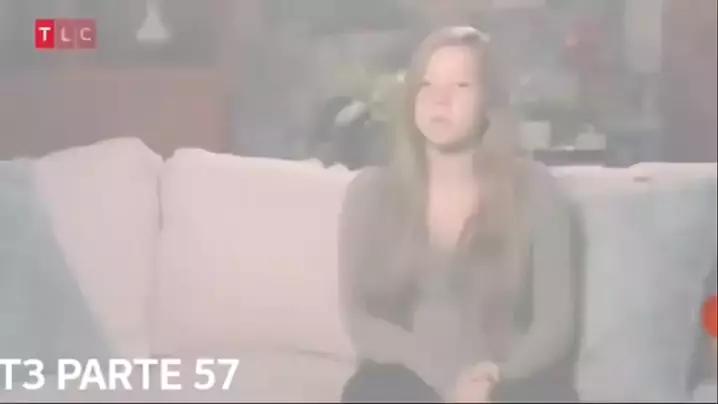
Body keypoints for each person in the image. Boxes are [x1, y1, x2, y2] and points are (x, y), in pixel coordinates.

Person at [337, 26, 579, 402]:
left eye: (461, 86)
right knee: (370, 391)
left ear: (489, 103)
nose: (440, 100)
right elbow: (360, 318)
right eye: (427, 85)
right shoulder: (371, 194)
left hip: (507, 381)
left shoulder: (536, 191)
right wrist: (445, 378)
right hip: (410, 379)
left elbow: (555, 325)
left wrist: (494, 377)